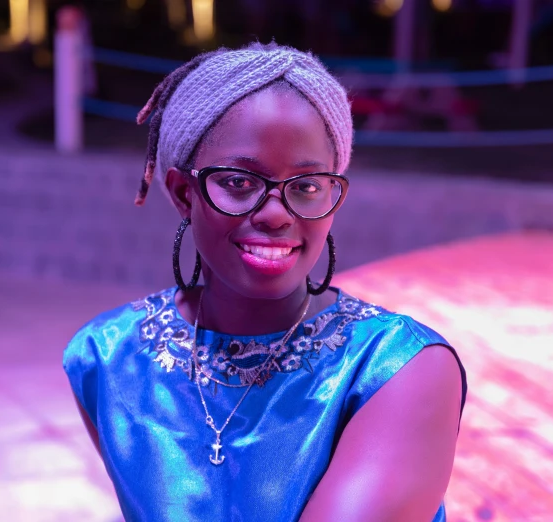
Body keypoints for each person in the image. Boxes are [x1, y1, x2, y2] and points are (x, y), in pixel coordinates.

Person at [63, 42, 467, 522]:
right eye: (239, 182)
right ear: (182, 193)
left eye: (308, 185)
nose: (277, 213)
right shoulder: (107, 358)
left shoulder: (400, 369)